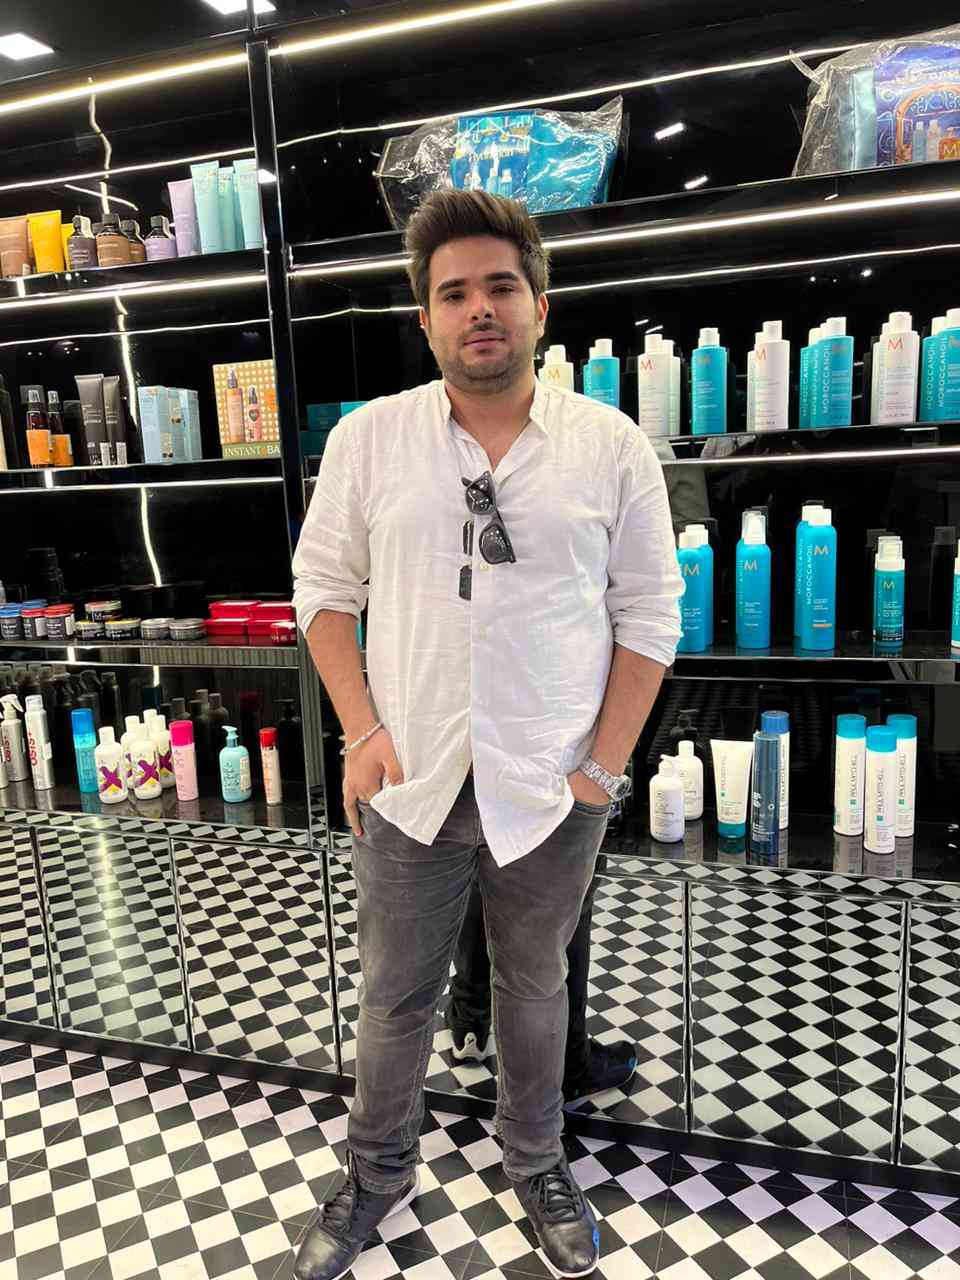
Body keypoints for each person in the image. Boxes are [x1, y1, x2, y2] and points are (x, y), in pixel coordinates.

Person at [291, 188, 682, 1280]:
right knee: (394, 993)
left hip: (551, 779)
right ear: (425, 318)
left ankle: (538, 1160)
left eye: (500, 286)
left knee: (537, 984)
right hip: (408, 772)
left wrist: (601, 766)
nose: (479, 309)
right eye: (454, 292)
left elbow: (650, 614)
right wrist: (361, 730)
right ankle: (375, 1175)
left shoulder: (610, 446)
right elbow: (321, 589)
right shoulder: (371, 439)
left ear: (539, 306)